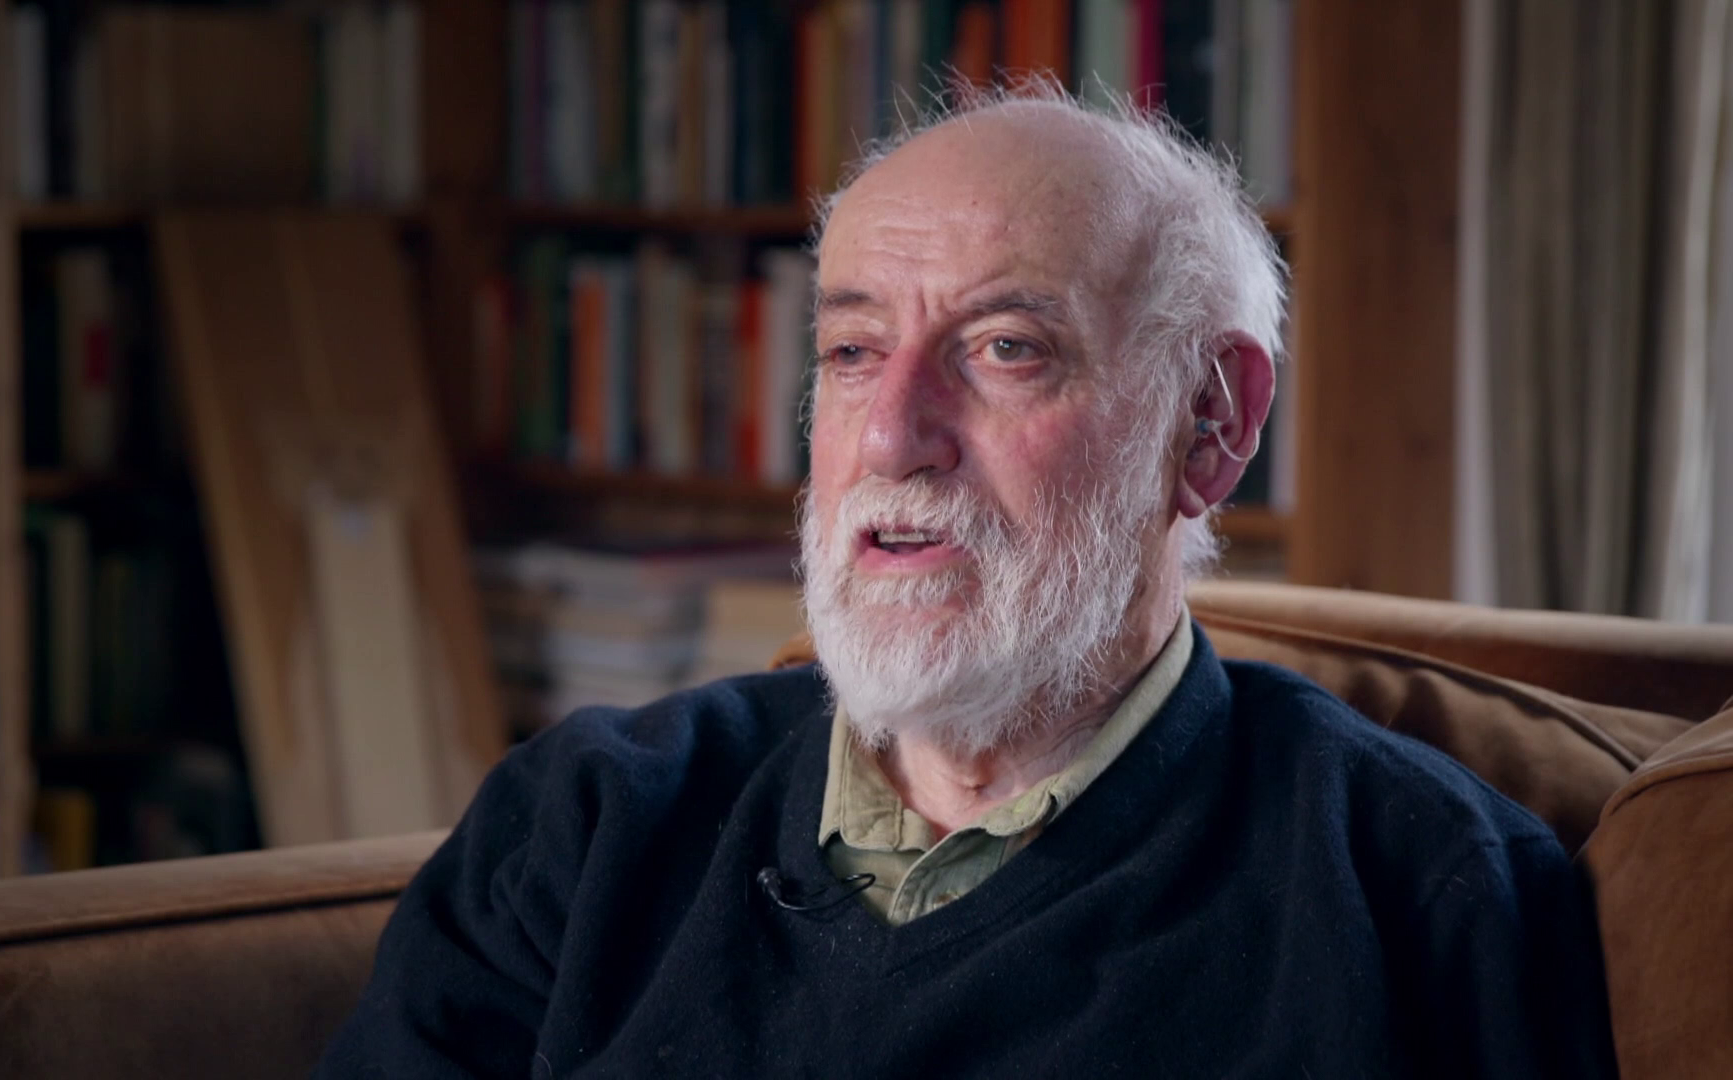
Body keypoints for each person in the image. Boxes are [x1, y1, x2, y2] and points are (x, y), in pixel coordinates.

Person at [317, 84, 1616, 1078]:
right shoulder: (587, 824)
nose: (891, 437)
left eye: (1004, 348)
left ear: (1211, 423)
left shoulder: (1424, 894)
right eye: (852, 351)